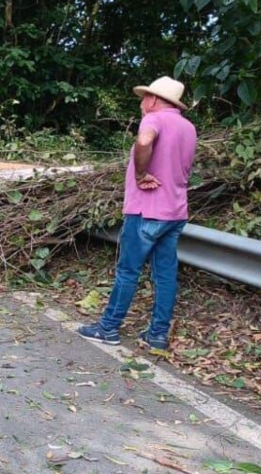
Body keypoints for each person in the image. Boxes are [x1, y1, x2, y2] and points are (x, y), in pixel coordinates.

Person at [78, 76, 197, 350]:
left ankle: (108, 328)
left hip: (147, 211)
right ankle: (157, 335)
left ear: (154, 99)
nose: (142, 103)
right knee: (165, 274)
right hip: (175, 212)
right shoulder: (188, 128)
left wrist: (141, 173)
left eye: (144, 98)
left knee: (128, 271)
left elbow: (144, 142)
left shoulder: (153, 119)